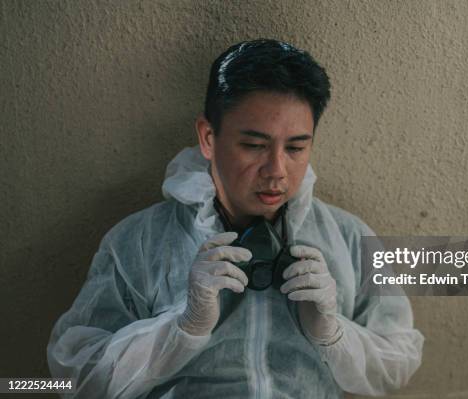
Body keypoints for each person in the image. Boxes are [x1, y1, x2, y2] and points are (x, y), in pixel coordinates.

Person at [47, 39, 424, 399]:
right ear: (208, 137)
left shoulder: (349, 237)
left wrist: (332, 333)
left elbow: (399, 362)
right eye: (254, 145)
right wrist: (182, 327)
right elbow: (77, 377)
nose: (277, 170)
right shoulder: (139, 242)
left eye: (296, 147)